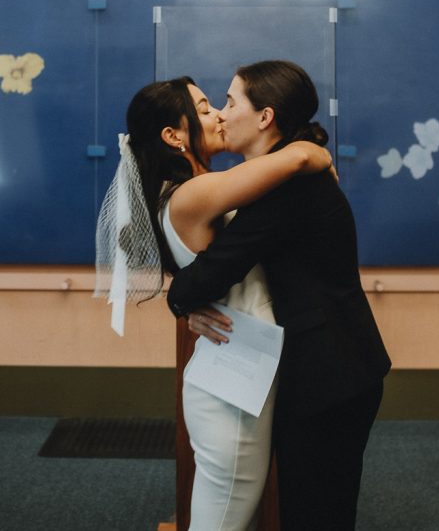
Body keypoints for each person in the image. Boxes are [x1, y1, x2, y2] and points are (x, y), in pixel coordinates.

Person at [95, 76, 333, 530]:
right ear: (174, 135)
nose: (220, 115)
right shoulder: (194, 193)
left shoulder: (196, 188)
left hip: (235, 373)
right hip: (231, 388)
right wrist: (319, 154)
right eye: (206, 109)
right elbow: (300, 156)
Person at [167, 60, 392, 531]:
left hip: (330, 374)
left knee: (315, 513)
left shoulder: (286, 187)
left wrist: (181, 303)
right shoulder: (289, 169)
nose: (223, 115)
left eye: (230, 102)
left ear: (265, 117)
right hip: (337, 364)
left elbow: (208, 275)